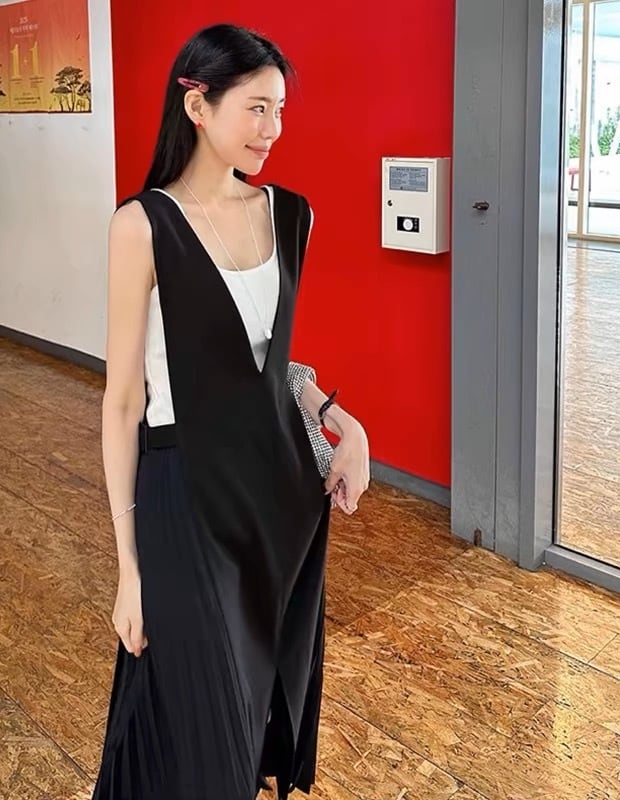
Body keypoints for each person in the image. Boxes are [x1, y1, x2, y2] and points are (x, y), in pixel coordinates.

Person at [94, 23, 370, 800]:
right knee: (205, 721)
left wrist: (343, 423)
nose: (272, 128)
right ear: (197, 105)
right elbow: (122, 403)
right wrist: (128, 569)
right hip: (184, 497)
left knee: (253, 713)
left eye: (280, 109)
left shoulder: (292, 215)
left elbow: (269, 369)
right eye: (255, 107)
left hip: (277, 503)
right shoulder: (142, 226)